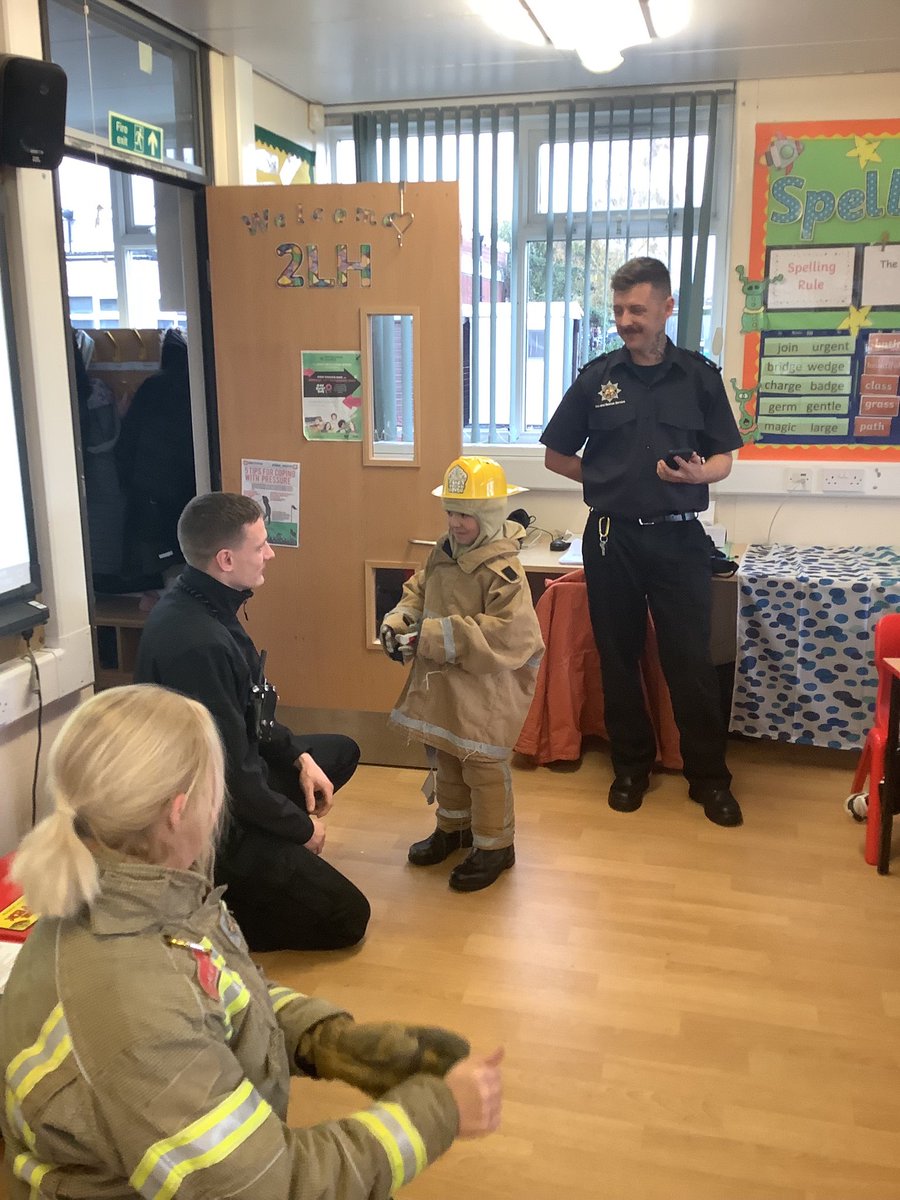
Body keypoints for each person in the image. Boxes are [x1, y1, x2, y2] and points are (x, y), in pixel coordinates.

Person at [0, 684, 503, 1199]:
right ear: (179, 812)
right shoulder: (132, 1012)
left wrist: (325, 1040)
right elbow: (274, 1188)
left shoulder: (151, 895)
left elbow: (222, 989)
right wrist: (437, 1114)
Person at [541, 256, 744, 828]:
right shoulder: (597, 378)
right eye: (620, 309)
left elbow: (725, 455)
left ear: (666, 308)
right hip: (610, 539)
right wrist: (605, 481)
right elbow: (556, 455)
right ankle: (630, 768)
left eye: (638, 308)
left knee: (689, 662)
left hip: (680, 542)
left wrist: (703, 475)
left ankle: (709, 778)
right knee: (618, 656)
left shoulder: (700, 376)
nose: (627, 319)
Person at [134, 491, 370, 950]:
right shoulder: (196, 643)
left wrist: (298, 756)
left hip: (236, 776)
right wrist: (302, 829)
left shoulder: (208, 601)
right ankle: (217, 912)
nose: (270, 554)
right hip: (210, 820)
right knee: (349, 918)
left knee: (336, 753)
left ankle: (274, 852)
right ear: (225, 558)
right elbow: (232, 777)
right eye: (260, 545)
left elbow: (251, 712)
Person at [380, 457, 544, 892]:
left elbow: (510, 634)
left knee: (483, 764)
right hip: (447, 683)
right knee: (448, 754)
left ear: (488, 515)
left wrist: (430, 637)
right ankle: (453, 828)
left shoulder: (504, 572)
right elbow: (419, 588)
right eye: (450, 513)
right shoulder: (443, 552)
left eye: (465, 515)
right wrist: (399, 619)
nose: (455, 523)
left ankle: (495, 846)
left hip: (487, 687)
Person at [116, 326, 197, 582]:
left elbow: (129, 440)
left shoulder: (152, 386)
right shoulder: (197, 387)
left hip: (152, 488)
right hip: (188, 482)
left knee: (159, 552)